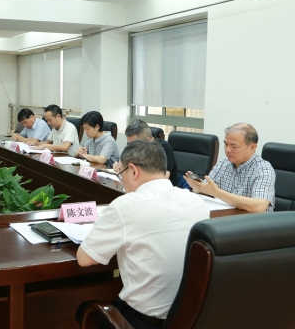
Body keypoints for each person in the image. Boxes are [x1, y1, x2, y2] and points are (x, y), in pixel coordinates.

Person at [76, 140, 209, 329]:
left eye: (121, 174)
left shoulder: (125, 206)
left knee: (84, 310)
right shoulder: (196, 201)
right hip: (190, 319)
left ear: (133, 170)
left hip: (143, 323)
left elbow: (84, 259)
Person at [183, 123, 275, 212]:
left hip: (251, 221)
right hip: (224, 215)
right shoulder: (224, 162)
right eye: (226, 144)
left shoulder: (263, 169)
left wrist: (216, 192)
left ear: (252, 147)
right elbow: (209, 189)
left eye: (234, 146)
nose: (227, 150)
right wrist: (198, 187)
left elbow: (259, 207)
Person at [115, 119, 178, 186]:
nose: (131, 146)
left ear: (147, 140)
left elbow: (164, 178)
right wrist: (119, 165)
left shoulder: (164, 148)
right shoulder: (133, 143)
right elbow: (123, 161)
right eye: (129, 143)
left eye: (134, 144)